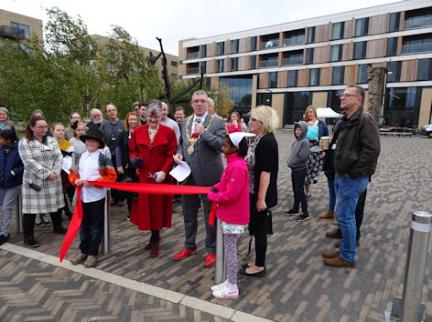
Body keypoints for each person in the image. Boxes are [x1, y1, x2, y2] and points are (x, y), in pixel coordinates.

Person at [322, 84, 380, 268]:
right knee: (344, 216)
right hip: (342, 175)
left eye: (347, 95)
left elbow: (372, 150)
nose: (342, 97)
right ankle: (345, 250)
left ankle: (348, 256)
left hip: (352, 177)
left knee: (346, 216)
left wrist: (353, 172)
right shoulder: (345, 120)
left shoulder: (365, 120)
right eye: (342, 95)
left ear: (359, 99)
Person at [172, 90, 226, 267]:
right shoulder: (186, 121)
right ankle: (189, 245)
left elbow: (221, 145)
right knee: (188, 213)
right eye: (196, 101)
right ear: (192, 103)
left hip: (210, 176)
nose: (200, 104)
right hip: (188, 175)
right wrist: (179, 155)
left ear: (207, 103)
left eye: (203, 101)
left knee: (210, 214)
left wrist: (204, 133)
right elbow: (181, 144)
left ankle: (211, 249)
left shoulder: (217, 121)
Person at [208, 132, 254, 299]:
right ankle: (229, 281)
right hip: (230, 214)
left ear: (234, 148)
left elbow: (230, 195)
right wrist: (215, 187)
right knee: (230, 249)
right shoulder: (234, 163)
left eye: (226, 145)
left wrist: (213, 196)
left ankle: (233, 286)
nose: (222, 147)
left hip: (233, 215)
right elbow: (225, 182)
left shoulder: (237, 166)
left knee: (231, 251)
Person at [129, 101, 177, 257]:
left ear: (162, 116)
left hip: (161, 177)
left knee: (157, 208)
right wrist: (134, 159)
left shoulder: (168, 132)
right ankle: (153, 235)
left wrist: (164, 171)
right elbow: (132, 150)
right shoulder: (138, 132)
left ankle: (156, 239)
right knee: (146, 208)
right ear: (146, 115)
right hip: (144, 177)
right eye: (150, 116)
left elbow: (171, 155)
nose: (153, 120)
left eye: (157, 117)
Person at [69, 126, 117, 267]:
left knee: (96, 225)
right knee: (83, 225)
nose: (90, 143)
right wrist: (75, 180)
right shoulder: (80, 156)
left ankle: (93, 253)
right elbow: (72, 173)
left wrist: (95, 183)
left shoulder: (103, 158)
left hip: (96, 197)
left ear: (98, 144)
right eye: (88, 140)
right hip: (82, 197)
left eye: (93, 141)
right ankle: (83, 251)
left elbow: (112, 176)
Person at [240, 105, 279, 277]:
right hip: (252, 191)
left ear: (263, 122)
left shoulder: (267, 142)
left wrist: (260, 199)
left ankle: (260, 266)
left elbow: (265, 173)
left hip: (260, 193)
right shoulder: (257, 138)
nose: (250, 121)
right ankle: (256, 260)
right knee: (255, 228)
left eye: (253, 119)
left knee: (260, 229)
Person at [18, 117, 66, 248]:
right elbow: (28, 161)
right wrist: (46, 174)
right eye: (40, 127)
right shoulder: (25, 142)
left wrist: (55, 172)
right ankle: (28, 236)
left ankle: (57, 226)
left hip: (53, 179)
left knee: (55, 204)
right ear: (32, 127)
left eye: (45, 127)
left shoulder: (51, 140)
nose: (43, 129)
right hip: (35, 181)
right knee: (31, 210)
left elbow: (59, 157)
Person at [0, 127, 23, 245]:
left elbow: (25, 165)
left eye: (1, 139)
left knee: (6, 207)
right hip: (1, 183)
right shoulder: (0, 149)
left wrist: (14, 172)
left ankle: (4, 233)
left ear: (8, 140)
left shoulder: (19, 149)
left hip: (14, 184)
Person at [115, 111, 141, 216]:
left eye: (134, 119)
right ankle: (132, 213)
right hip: (127, 166)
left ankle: (140, 212)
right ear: (127, 121)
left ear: (137, 120)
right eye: (130, 119)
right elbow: (118, 150)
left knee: (140, 191)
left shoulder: (142, 133)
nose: (132, 121)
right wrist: (119, 165)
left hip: (140, 166)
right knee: (129, 190)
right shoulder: (122, 135)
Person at [285, 121, 310, 221]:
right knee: (295, 190)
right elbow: (293, 154)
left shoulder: (304, 142)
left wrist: (292, 162)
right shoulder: (296, 141)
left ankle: (305, 213)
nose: (297, 131)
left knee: (300, 191)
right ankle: (295, 208)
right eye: (296, 129)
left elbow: (303, 157)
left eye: (300, 130)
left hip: (300, 170)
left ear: (304, 130)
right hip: (294, 170)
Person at [303, 105, 328, 198]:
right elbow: (298, 135)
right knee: (306, 170)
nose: (309, 114)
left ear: (314, 113)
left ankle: (314, 177)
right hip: (306, 148)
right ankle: (307, 191)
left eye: (311, 112)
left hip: (317, 149)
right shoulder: (304, 124)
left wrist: (325, 150)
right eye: (308, 112)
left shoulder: (321, 124)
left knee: (315, 168)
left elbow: (326, 137)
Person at [102, 104, 125, 207]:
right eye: (109, 110)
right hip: (109, 156)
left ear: (116, 111)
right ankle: (114, 197)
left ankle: (121, 198)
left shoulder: (123, 123)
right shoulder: (104, 125)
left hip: (120, 156)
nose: (111, 112)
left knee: (121, 176)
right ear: (106, 113)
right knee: (112, 177)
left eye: (113, 110)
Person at [52, 123, 75, 219]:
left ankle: (71, 211)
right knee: (59, 193)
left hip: (66, 172)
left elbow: (72, 157)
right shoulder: (49, 143)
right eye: (58, 130)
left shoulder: (67, 144)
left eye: (62, 130)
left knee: (70, 191)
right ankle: (65, 212)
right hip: (54, 172)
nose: (61, 132)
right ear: (53, 131)